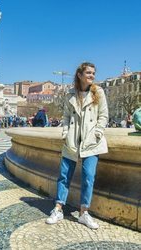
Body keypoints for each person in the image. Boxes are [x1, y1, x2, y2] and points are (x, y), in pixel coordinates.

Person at [46, 62, 108, 230]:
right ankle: (58, 209)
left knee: (88, 176)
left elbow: (103, 116)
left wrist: (97, 133)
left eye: (93, 73)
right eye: (88, 73)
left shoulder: (99, 92)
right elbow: (66, 116)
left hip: (92, 141)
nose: (92, 76)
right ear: (80, 75)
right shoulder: (70, 94)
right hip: (72, 140)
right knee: (64, 175)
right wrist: (65, 133)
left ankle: (84, 212)